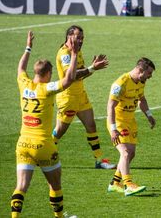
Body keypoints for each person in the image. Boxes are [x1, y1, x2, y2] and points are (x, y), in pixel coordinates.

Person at [11, 31, 78, 218]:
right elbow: (69, 79)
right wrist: (73, 54)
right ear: (48, 74)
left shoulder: (24, 84)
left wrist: (28, 47)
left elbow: (20, 68)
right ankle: (59, 216)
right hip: (44, 145)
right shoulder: (46, 89)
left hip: (23, 144)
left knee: (21, 186)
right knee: (55, 185)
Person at [52, 25, 115, 169]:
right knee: (59, 131)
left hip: (80, 95)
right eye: (78, 37)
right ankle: (41, 154)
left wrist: (92, 67)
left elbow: (82, 75)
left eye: (82, 38)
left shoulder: (77, 52)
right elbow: (71, 76)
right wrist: (92, 68)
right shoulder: (65, 54)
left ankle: (99, 160)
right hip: (68, 98)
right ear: (69, 37)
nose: (81, 41)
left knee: (91, 126)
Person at [106, 57, 156, 196]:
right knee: (125, 153)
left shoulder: (140, 82)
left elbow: (142, 99)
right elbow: (110, 106)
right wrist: (113, 128)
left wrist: (149, 115)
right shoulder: (121, 83)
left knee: (130, 154)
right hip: (118, 121)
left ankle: (115, 183)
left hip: (130, 121)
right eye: (149, 73)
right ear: (141, 70)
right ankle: (128, 184)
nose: (150, 77)